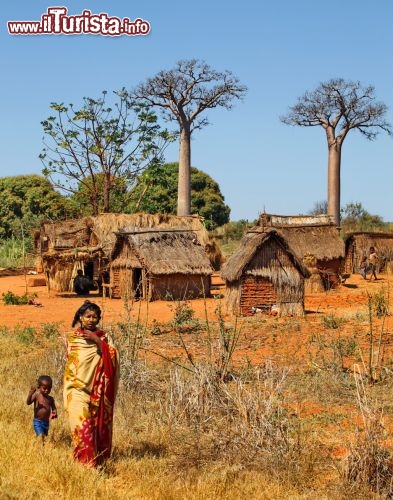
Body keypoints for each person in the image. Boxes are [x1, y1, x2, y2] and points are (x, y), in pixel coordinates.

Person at [63, 301, 119, 466]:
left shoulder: (104, 337)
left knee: (95, 427)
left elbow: (112, 356)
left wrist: (97, 341)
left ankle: (93, 461)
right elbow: (72, 362)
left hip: (96, 390)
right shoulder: (73, 338)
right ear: (81, 317)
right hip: (75, 390)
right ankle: (88, 466)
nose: (91, 320)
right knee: (83, 426)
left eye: (95, 317)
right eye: (88, 316)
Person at [26, 375, 57, 445]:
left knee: (45, 437)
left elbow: (54, 408)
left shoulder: (50, 399)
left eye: (49, 389)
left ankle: (42, 449)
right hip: (38, 422)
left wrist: (54, 413)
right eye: (44, 388)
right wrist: (30, 393)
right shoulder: (37, 395)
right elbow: (28, 402)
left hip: (46, 422)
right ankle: (39, 448)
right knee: (40, 436)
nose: (46, 390)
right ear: (39, 387)